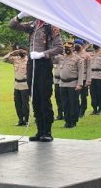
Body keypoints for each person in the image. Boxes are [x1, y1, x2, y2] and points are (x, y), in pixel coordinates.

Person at [9, 12, 63, 142]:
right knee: (35, 98)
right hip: (32, 64)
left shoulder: (50, 26)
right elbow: (12, 25)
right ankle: (39, 130)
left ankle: (47, 131)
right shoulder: (33, 25)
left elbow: (59, 48)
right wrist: (20, 16)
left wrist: (42, 54)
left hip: (43, 64)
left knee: (44, 98)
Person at [54, 42, 84, 129]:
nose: (67, 49)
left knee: (73, 103)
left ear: (73, 48)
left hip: (73, 84)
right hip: (62, 83)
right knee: (65, 103)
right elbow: (51, 58)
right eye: (65, 47)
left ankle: (73, 121)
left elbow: (80, 72)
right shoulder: (61, 58)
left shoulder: (77, 59)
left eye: (69, 48)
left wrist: (79, 84)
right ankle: (67, 121)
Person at [2, 46, 30, 126]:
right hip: (17, 84)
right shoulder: (15, 59)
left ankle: (26, 120)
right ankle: (20, 119)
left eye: (22, 51)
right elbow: (4, 59)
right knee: (17, 103)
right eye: (19, 51)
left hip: (25, 85)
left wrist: (25, 53)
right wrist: (12, 53)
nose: (20, 52)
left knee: (25, 104)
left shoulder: (28, 60)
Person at [87, 45, 101, 115]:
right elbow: (89, 67)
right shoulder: (91, 54)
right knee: (92, 93)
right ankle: (94, 108)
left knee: (100, 93)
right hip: (92, 76)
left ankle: (100, 108)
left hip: (100, 76)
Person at [74, 41, 90, 118]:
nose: (76, 46)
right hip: (75, 78)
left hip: (83, 78)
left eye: (78, 44)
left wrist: (88, 80)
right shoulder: (73, 54)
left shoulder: (86, 55)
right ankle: (77, 109)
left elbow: (89, 69)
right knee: (75, 96)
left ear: (82, 45)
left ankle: (82, 110)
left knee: (83, 96)